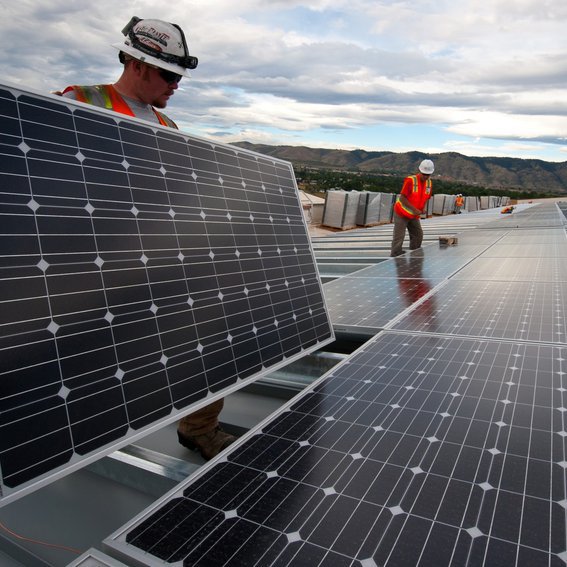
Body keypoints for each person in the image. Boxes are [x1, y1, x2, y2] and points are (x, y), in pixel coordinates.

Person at [59, 16, 236, 461]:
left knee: (209, 330)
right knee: (90, 360)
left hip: (151, 258)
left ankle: (199, 427)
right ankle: (70, 437)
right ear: (137, 64)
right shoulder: (79, 101)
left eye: (179, 76)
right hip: (91, 262)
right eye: (169, 74)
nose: (176, 84)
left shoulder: (167, 126)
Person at [390, 159, 434, 257]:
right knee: (399, 237)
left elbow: (426, 197)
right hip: (402, 212)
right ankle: (395, 256)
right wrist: (415, 209)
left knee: (418, 235)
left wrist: (422, 208)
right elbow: (402, 198)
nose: (426, 176)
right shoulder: (411, 180)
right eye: (424, 174)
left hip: (414, 215)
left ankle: (414, 254)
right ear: (420, 171)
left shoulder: (429, 184)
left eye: (428, 175)